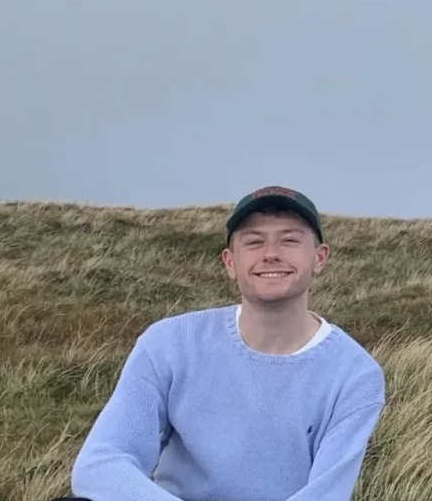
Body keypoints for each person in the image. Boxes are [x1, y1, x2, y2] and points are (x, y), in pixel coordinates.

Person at [66, 186, 387, 501]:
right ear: (230, 262)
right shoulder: (169, 344)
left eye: (290, 240)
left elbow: (325, 494)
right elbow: (101, 464)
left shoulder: (355, 376)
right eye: (254, 241)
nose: (271, 253)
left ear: (320, 257)